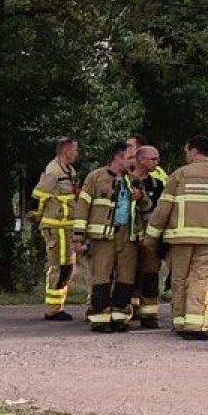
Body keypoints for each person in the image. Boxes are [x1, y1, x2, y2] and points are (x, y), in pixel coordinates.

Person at [142, 135, 208, 342]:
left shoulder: (180, 175)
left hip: (179, 239)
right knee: (200, 278)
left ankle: (180, 321)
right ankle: (194, 324)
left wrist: (151, 238)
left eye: (187, 152)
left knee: (179, 278)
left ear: (194, 151)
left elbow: (163, 209)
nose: (186, 156)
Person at [71, 142, 151, 332]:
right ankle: (100, 319)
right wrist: (78, 237)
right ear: (117, 157)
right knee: (102, 275)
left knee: (126, 277)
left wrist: (141, 198)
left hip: (128, 236)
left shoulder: (134, 180)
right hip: (103, 237)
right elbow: (82, 207)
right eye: (130, 158)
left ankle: (119, 317)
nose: (134, 162)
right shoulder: (96, 178)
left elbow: (147, 208)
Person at [31, 137, 80, 320]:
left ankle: (58, 305)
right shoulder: (53, 172)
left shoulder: (68, 170)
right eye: (75, 149)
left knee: (67, 267)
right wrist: (36, 217)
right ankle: (53, 309)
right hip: (55, 226)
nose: (77, 153)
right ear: (67, 151)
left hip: (66, 226)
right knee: (58, 267)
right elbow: (38, 196)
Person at [131, 144, 169, 328]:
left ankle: (149, 316)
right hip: (128, 238)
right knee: (126, 274)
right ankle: (127, 311)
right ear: (141, 160)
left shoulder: (158, 184)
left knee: (150, 274)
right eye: (153, 159)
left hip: (150, 238)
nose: (157, 162)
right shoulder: (125, 181)